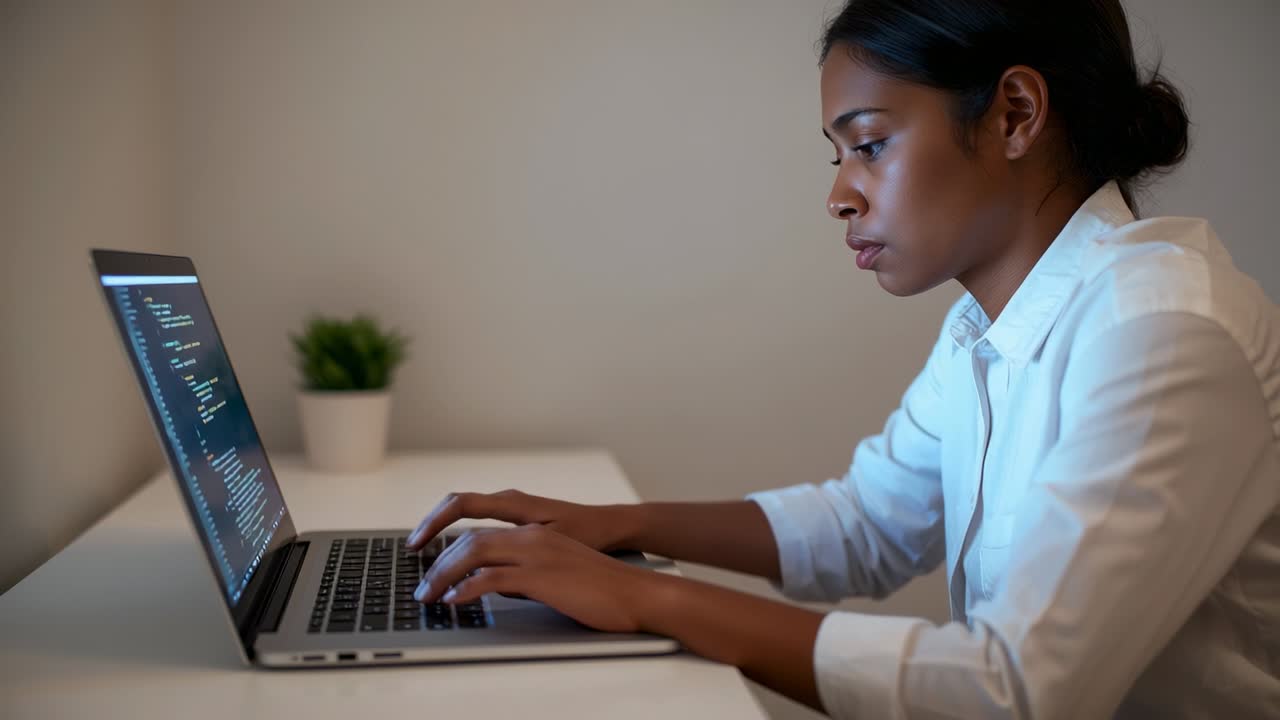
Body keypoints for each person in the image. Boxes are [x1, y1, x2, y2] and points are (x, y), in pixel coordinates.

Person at [405, 1, 1280, 717]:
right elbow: (867, 524)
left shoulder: (1164, 329)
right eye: (838, 155)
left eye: (868, 145)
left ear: (1016, 114)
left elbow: (1015, 691)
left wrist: (644, 598)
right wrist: (615, 526)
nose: (837, 194)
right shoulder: (989, 328)